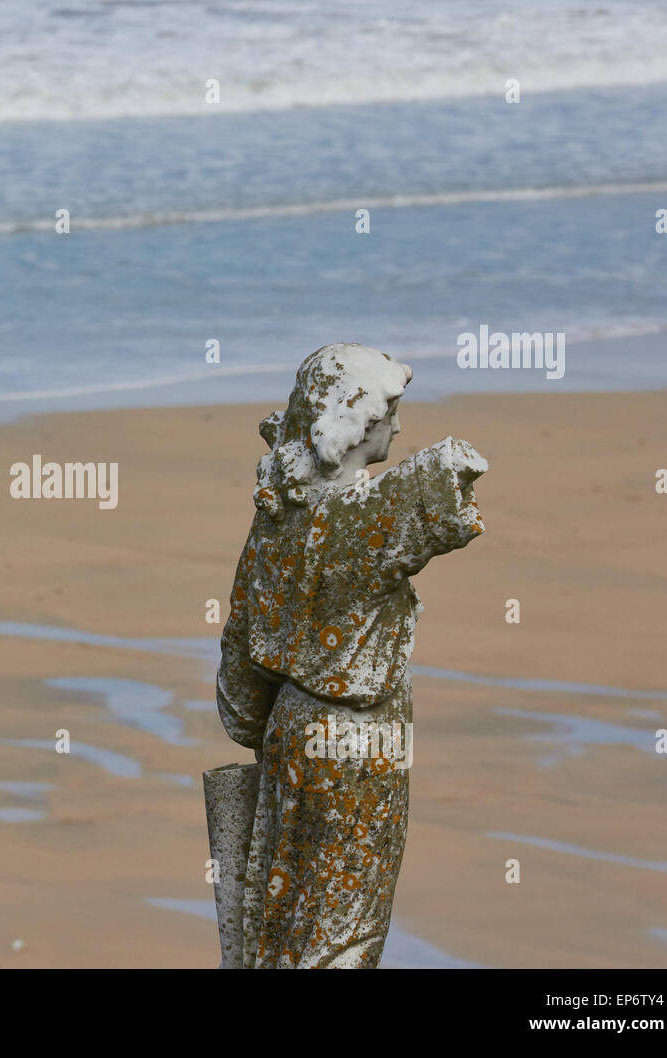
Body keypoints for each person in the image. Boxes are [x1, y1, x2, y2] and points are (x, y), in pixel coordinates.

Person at [215, 343, 487, 967]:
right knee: (346, 928)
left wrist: (264, 728)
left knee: (281, 917)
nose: (400, 425)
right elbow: (450, 474)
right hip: (361, 743)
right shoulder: (370, 515)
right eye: (391, 410)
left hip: (291, 731)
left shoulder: (275, 520)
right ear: (361, 422)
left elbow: (238, 691)